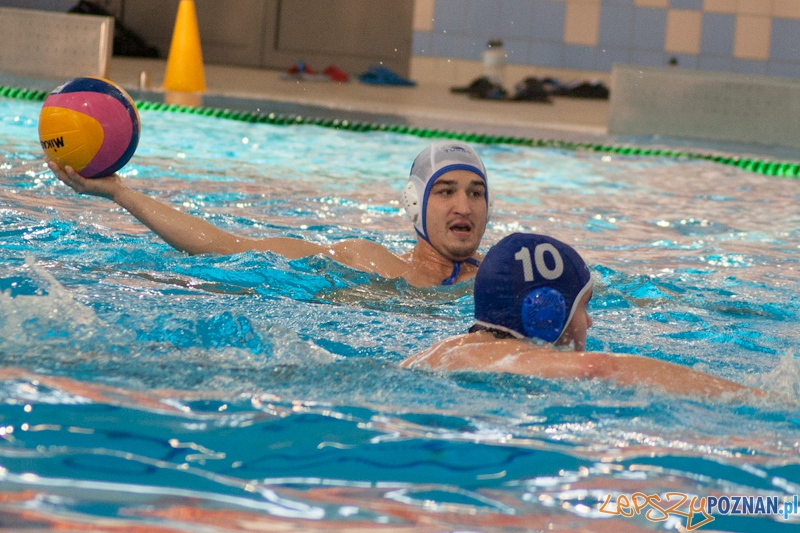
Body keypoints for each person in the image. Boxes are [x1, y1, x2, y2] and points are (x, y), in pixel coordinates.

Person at [47, 141, 491, 287]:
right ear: (416, 203)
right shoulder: (366, 262)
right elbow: (228, 249)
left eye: (476, 193)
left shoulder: (507, 279)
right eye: (446, 191)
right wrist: (121, 194)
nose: (463, 206)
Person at [401, 233, 762, 398]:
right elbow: (602, 368)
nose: (588, 322)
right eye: (582, 306)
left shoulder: (433, 354)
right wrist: (755, 397)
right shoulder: (518, 358)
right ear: (546, 313)